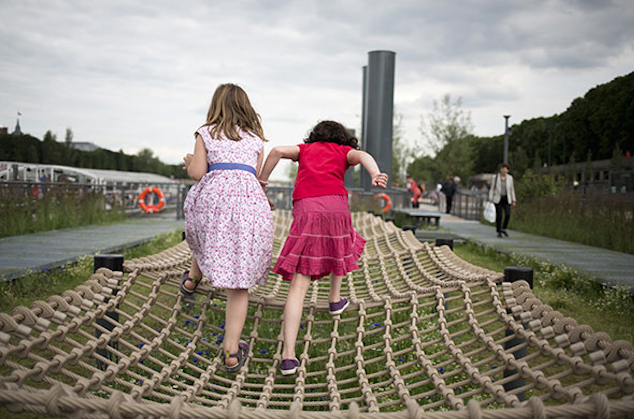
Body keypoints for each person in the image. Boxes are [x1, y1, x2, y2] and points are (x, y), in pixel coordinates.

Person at [258, 120, 388, 376]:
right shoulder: (342, 151)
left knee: (298, 285)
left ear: (314, 136)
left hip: (307, 209)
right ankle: (334, 299)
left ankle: (288, 357)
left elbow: (275, 152)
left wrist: (262, 182)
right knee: (342, 242)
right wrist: (375, 173)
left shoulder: (304, 150)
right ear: (342, 138)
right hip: (336, 206)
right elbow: (362, 155)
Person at [181, 83, 274, 373]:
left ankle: (191, 279)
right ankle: (232, 352)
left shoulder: (205, 131)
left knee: (206, 232)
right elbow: (254, 176)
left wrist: (189, 163)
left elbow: (198, 173)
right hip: (249, 206)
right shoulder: (256, 140)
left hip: (213, 202)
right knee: (239, 282)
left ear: (216, 105)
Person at [488, 163, 516, 238]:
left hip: (507, 198)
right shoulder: (496, 177)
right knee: (499, 215)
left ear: (507, 170)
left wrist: (513, 200)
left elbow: (511, 189)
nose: (504, 170)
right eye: (503, 168)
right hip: (498, 198)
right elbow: (492, 188)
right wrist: (491, 198)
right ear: (501, 169)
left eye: (506, 169)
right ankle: (499, 230)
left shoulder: (510, 178)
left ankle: (504, 228)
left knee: (508, 214)